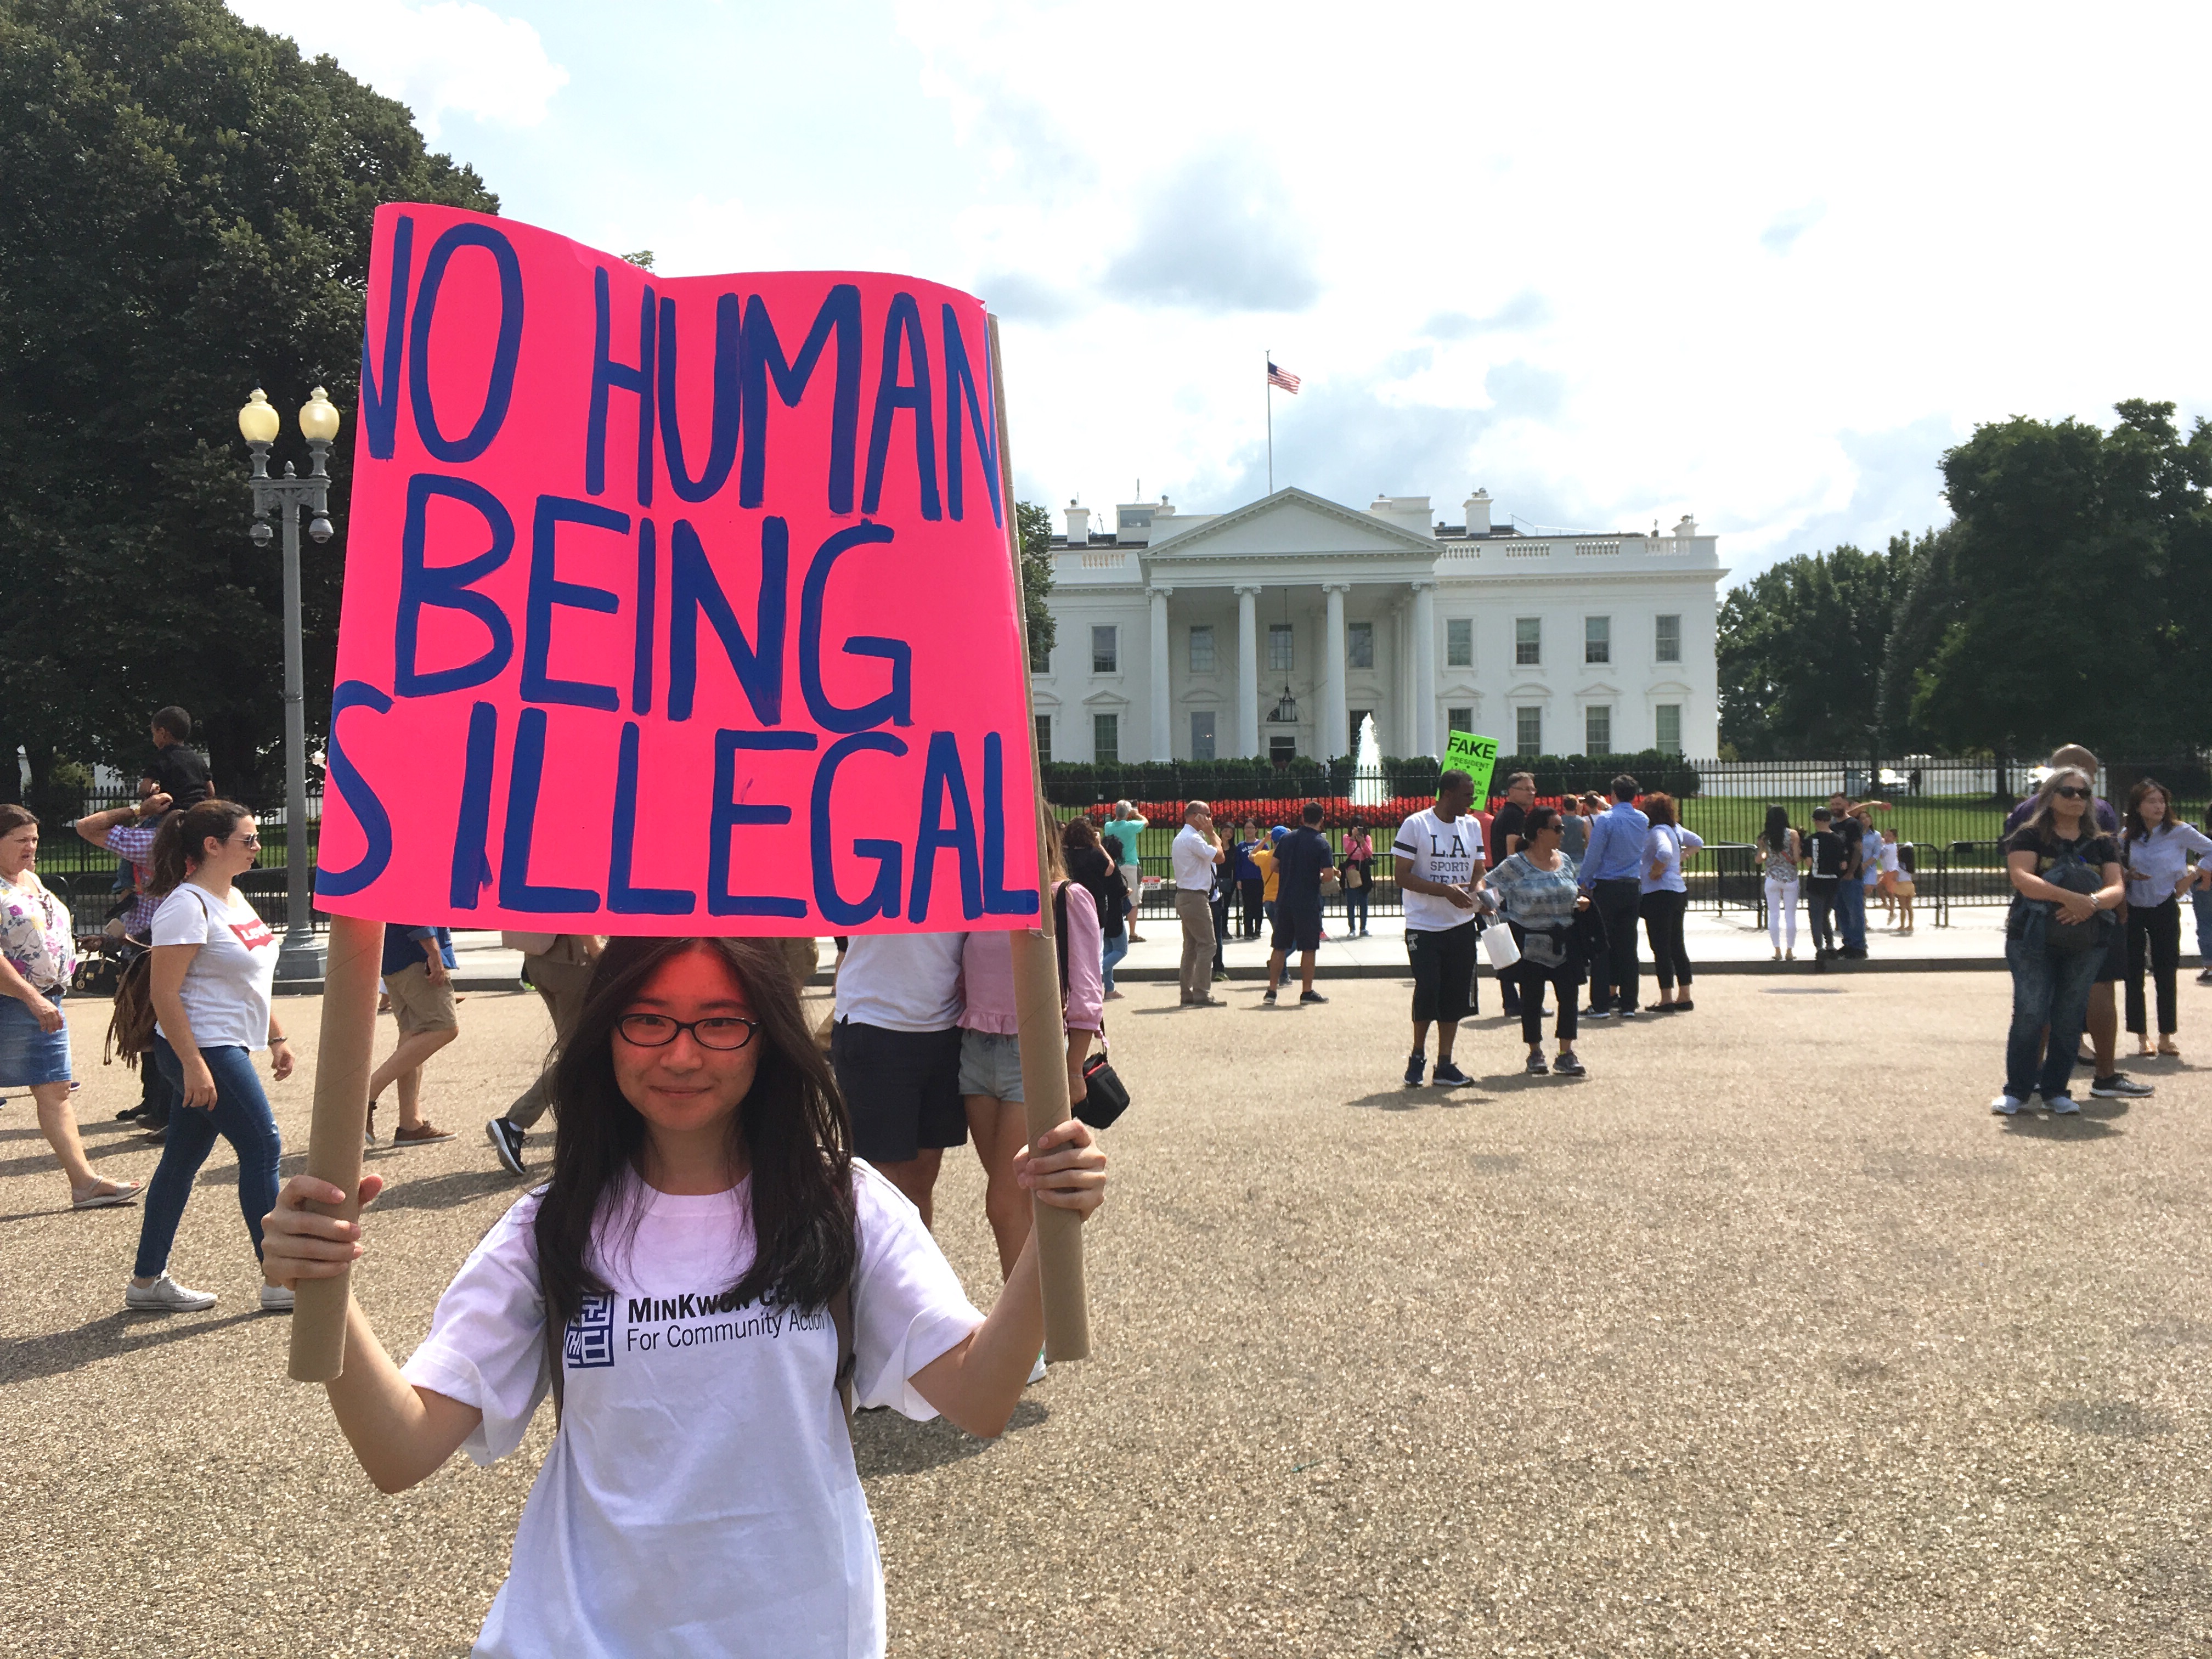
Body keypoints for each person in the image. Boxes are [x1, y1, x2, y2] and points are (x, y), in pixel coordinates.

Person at [259, 935, 1107, 1658]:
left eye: (720, 1023)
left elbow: (984, 1395)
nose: (681, 1053)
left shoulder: (839, 1205)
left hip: (801, 1631)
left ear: (767, 1037)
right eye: (649, 1019)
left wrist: (1049, 1225)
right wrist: (327, 1287)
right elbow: (401, 1450)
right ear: (607, 1034)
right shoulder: (550, 1228)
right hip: (582, 1633)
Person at [126, 799, 291, 1311]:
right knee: (263, 1146)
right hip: (204, 1047)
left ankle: (147, 1282)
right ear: (212, 846)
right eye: (249, 839)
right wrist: (193, 1063)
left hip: (227, 1043)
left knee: (181, 1160)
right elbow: (165, 993)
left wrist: (277, 1036)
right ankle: (280, 1278)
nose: (257, 846)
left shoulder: (235, 899)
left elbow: (252, 977)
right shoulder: (185, 904)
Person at [960, 837, 1100, 1339]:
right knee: (1016, 1200)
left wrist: (1070, 1067)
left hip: (1031, 1053)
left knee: (1004, 1200)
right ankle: (1042, 1318)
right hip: (975, 1051)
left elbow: (1087, 987)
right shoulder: (979, 897)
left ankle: (1022, 1337)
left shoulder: (1066, 897)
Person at [0, 806, 141, 1210]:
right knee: (54, 1090)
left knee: (55, 1089)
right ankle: (86, 1183)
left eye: (35, 840)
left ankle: (85, 1183)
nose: (31, 848)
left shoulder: (27, 878)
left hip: (45, 998)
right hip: (17, 1002)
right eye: (21, 841)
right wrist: (32, 997)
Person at [2001, 746, 2148, 1102]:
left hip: (2071, 922)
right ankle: (2103, 1075)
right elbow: (2022, 875)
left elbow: (2113, 880)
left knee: (2051, 1009)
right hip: (2060, 927)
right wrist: (2080, 902)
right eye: (2072, 789)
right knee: (2064, 1001)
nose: (2080, 796)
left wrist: (2090, 902)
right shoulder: (2088, 817)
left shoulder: (2025, 812)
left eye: (2085, 791)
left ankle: (2042, 1083)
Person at [828, 931, 967, 1224]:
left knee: (920, 1183)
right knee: (879, 1187)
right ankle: (867, 1269)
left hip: (945, 1025)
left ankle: (914, 1270)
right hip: (874, 1022)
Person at [75, 787, 178, 1134]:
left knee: (154, 1029)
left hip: (150, 946)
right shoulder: (202, 835)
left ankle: (167, 1110)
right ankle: (157, 1104)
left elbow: (87, 826)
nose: (144, 786)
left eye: (151, 782)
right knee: (153, 1030)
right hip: (152, 940)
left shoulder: (153, 840)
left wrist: (138, 808)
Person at [1394, 769, 1484, 1086]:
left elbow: (1479, 870)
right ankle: (1418, 1055)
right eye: (1467, 795)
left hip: (1461, 923)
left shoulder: (1471, 826)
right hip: (1424, 924)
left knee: (1456, 995)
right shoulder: (1417, 825)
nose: (1472, 801)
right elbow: (1401, 876)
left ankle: (1444, 1063)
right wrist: (1445, 890)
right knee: (1428, 987)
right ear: (1448, 794)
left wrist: (1479, 893)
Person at [1487, 805, 1590, 1075]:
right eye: (1558, 828)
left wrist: (1580, 900)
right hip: (1531, 941)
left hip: (1565, 939)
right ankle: (1535, 1052)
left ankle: (1565, 1053)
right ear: (1540, 832)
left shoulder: (1565, 860)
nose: (1562, 833)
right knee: (1532, 999)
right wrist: (1499, 914)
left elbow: (1574, 887)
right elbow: (1487, 888)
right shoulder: (1516, 864)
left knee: (1569, 998)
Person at [487, 935, 603, 1174]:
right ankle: (514, 1122)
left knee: (577, 1052)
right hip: (573, 961)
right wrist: (597, 950)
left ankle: (580, 1141)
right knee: (582, 1052)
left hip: (540, 959)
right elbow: (580, 905)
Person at [2120, 778, 2208, 1058]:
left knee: (2166, 970)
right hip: (2133, 907)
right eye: (2151, 801)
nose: (2159, 806)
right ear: (2138, 806)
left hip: (2164, 905)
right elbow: (2114, 865)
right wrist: (2128, 874)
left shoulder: (2179, 831)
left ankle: (2166, 1036)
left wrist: (2193, 875)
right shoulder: (2127, 835)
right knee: (2134, 973)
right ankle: (2141, 1037)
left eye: (2162, 801)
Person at [365, 924, 460, 1148]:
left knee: (413, 1034)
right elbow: (416, 900)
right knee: (444, 1027)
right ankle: (364, 1096)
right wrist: (433, 950)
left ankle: (411, 1124)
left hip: (394, 953)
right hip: (416, 952)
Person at [1579, 775, 1651, 1017]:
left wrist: (1583, 882)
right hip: (1632, 885)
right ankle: (1629, 1003)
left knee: (1602, 945)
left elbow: (1594, 854)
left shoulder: (1607, 820)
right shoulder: (1642, 819)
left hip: (1607, 885)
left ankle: (1600, 1003)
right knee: (1628, 945)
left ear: (1613, 793)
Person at [1639, 792, 1704, 1011]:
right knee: (1677, 944)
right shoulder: (1674, 828)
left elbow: (1665, 852)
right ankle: (1685, 994)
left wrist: (1657, 869)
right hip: (1678, 891)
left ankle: (1666, 997)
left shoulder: (1658, 831)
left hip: (1659, 893)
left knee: (1661, 947)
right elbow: (1698, 842)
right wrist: (1682, 858)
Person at [1265, 803, 1333, 1006]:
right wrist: (1316, 877)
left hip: (1285, 899)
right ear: (1321, 819)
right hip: (1307, 901)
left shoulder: (1286, 838)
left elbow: (1274, 866)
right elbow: (1328, 875)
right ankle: (1306, 991)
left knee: (1279, 946)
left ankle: (1271, 991)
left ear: (1302, 818)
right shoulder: (1321, 844)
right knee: (1309, 948)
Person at [1487, 774, 1537, 1016]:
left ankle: (1512, 1000)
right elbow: (1512, 850)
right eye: (1526, 788)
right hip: (1512, 889)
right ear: (1512, 791)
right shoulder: (1514, 816)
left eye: (1533, 788)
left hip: (1502, 887)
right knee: (1520, 944)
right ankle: (1521, 1000)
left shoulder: (1507, 814)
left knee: (1508, 945)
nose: (1532, 792)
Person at [1064, 819, 1128, 1001]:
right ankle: (1091, 984)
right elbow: (1110, 868)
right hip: (1093, 906)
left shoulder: (1066, 855)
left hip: (1069, 903)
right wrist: (1099, 845)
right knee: (1096, 950)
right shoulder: (1094, 854)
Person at [1172, 800, 1227, 1007]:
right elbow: (1220, 857)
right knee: (1208, 944)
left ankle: (1187, 992)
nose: (1211, 819)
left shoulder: (1183, 837)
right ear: (1196, 816)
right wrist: (1213, 834)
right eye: (1208, 815)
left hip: (1186, 895)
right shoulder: (1193, 838)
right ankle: (1202, 993)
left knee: (1192, 946)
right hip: (1195, 897)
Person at [1756, 804, 1803, 963]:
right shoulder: (1793, 834)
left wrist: (1765, 854)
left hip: (1772, 878)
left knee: (1774, 915)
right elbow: (1796, 858)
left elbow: (1759, 858)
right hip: (1790, 878)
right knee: (1790, 916)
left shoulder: (1764, 837)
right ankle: (1790, 951)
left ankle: (1777, 950)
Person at [142, 706, 213, 808]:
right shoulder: (197, 758)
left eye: (154, 734)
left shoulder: (160, 758)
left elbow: (144, 790)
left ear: (162, 733)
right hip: (196, 813)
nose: (153, 740)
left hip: (171, 813)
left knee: (144, 823)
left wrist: (154, 791)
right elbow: (211, 792)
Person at [1826, 792, 1869, 958]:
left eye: (1838, 804)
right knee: (1842, 911)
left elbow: (1858, 848)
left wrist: (1852, 871)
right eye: (1833, 805)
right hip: (1837, 876)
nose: (1835, 808)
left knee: (1855, 911)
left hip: (1852, 876)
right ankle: (1848, 943)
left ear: (1846, 805)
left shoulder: (1853, 825)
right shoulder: (1833, 826)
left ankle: (1859, 946)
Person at [1105, 800, 1149, 941]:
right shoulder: (1131, 826)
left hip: (1115, 865)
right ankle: (1132, 932)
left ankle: (1118, 929)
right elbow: (1146, 822)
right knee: (1133, 900)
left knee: (1116, 897)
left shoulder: (1108, 826)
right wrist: (1137, 814)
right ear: (1128, 813)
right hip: (1130, 865)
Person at [1096, 830, 1132, 998]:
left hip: (1103, 910)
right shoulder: (1113, 868)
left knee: (1108, 949)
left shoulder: (1099, 866)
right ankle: (1097, 972)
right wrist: (1127, 891)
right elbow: (1119, 890)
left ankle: (1109, 988)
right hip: (1115, 912)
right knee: (1121, 949)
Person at [1805, 807, 1845, 960]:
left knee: (1815, 916)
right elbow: (1843, 865)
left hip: (1816, 880)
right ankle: (1830, 944)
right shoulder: (1838, 839)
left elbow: (1809, 862)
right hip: (1833, 881)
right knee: (1825, 915)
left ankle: (1820, 946)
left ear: (1816, 821)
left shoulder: (1812, 839)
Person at [1340, 820, 1374, 938]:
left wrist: (1363, 842)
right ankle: (1352, 928)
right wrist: (1353, 839)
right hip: (1352, 869)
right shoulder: (1347, 837)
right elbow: (1348, 851)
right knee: (1351, 901)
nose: (1358, 829)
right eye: (1356, 826)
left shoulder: (1367, 838)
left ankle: (1363, 928)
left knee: (1363, 900)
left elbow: (1370, 854)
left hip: (1363, 868)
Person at [1233, 820, 1266, 938]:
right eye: (1247, 828)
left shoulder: (1262, 845)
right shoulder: (1241, 846)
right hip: (1246, 879)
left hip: (1259, 879)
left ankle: (1257, 930)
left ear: (1256, 830)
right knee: (1247, 905)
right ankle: (1248, 930)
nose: (1249, 830)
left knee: (1258, 905)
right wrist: (1238, 879)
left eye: (1251, 828)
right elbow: (1238, 864)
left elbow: (1266, 862)